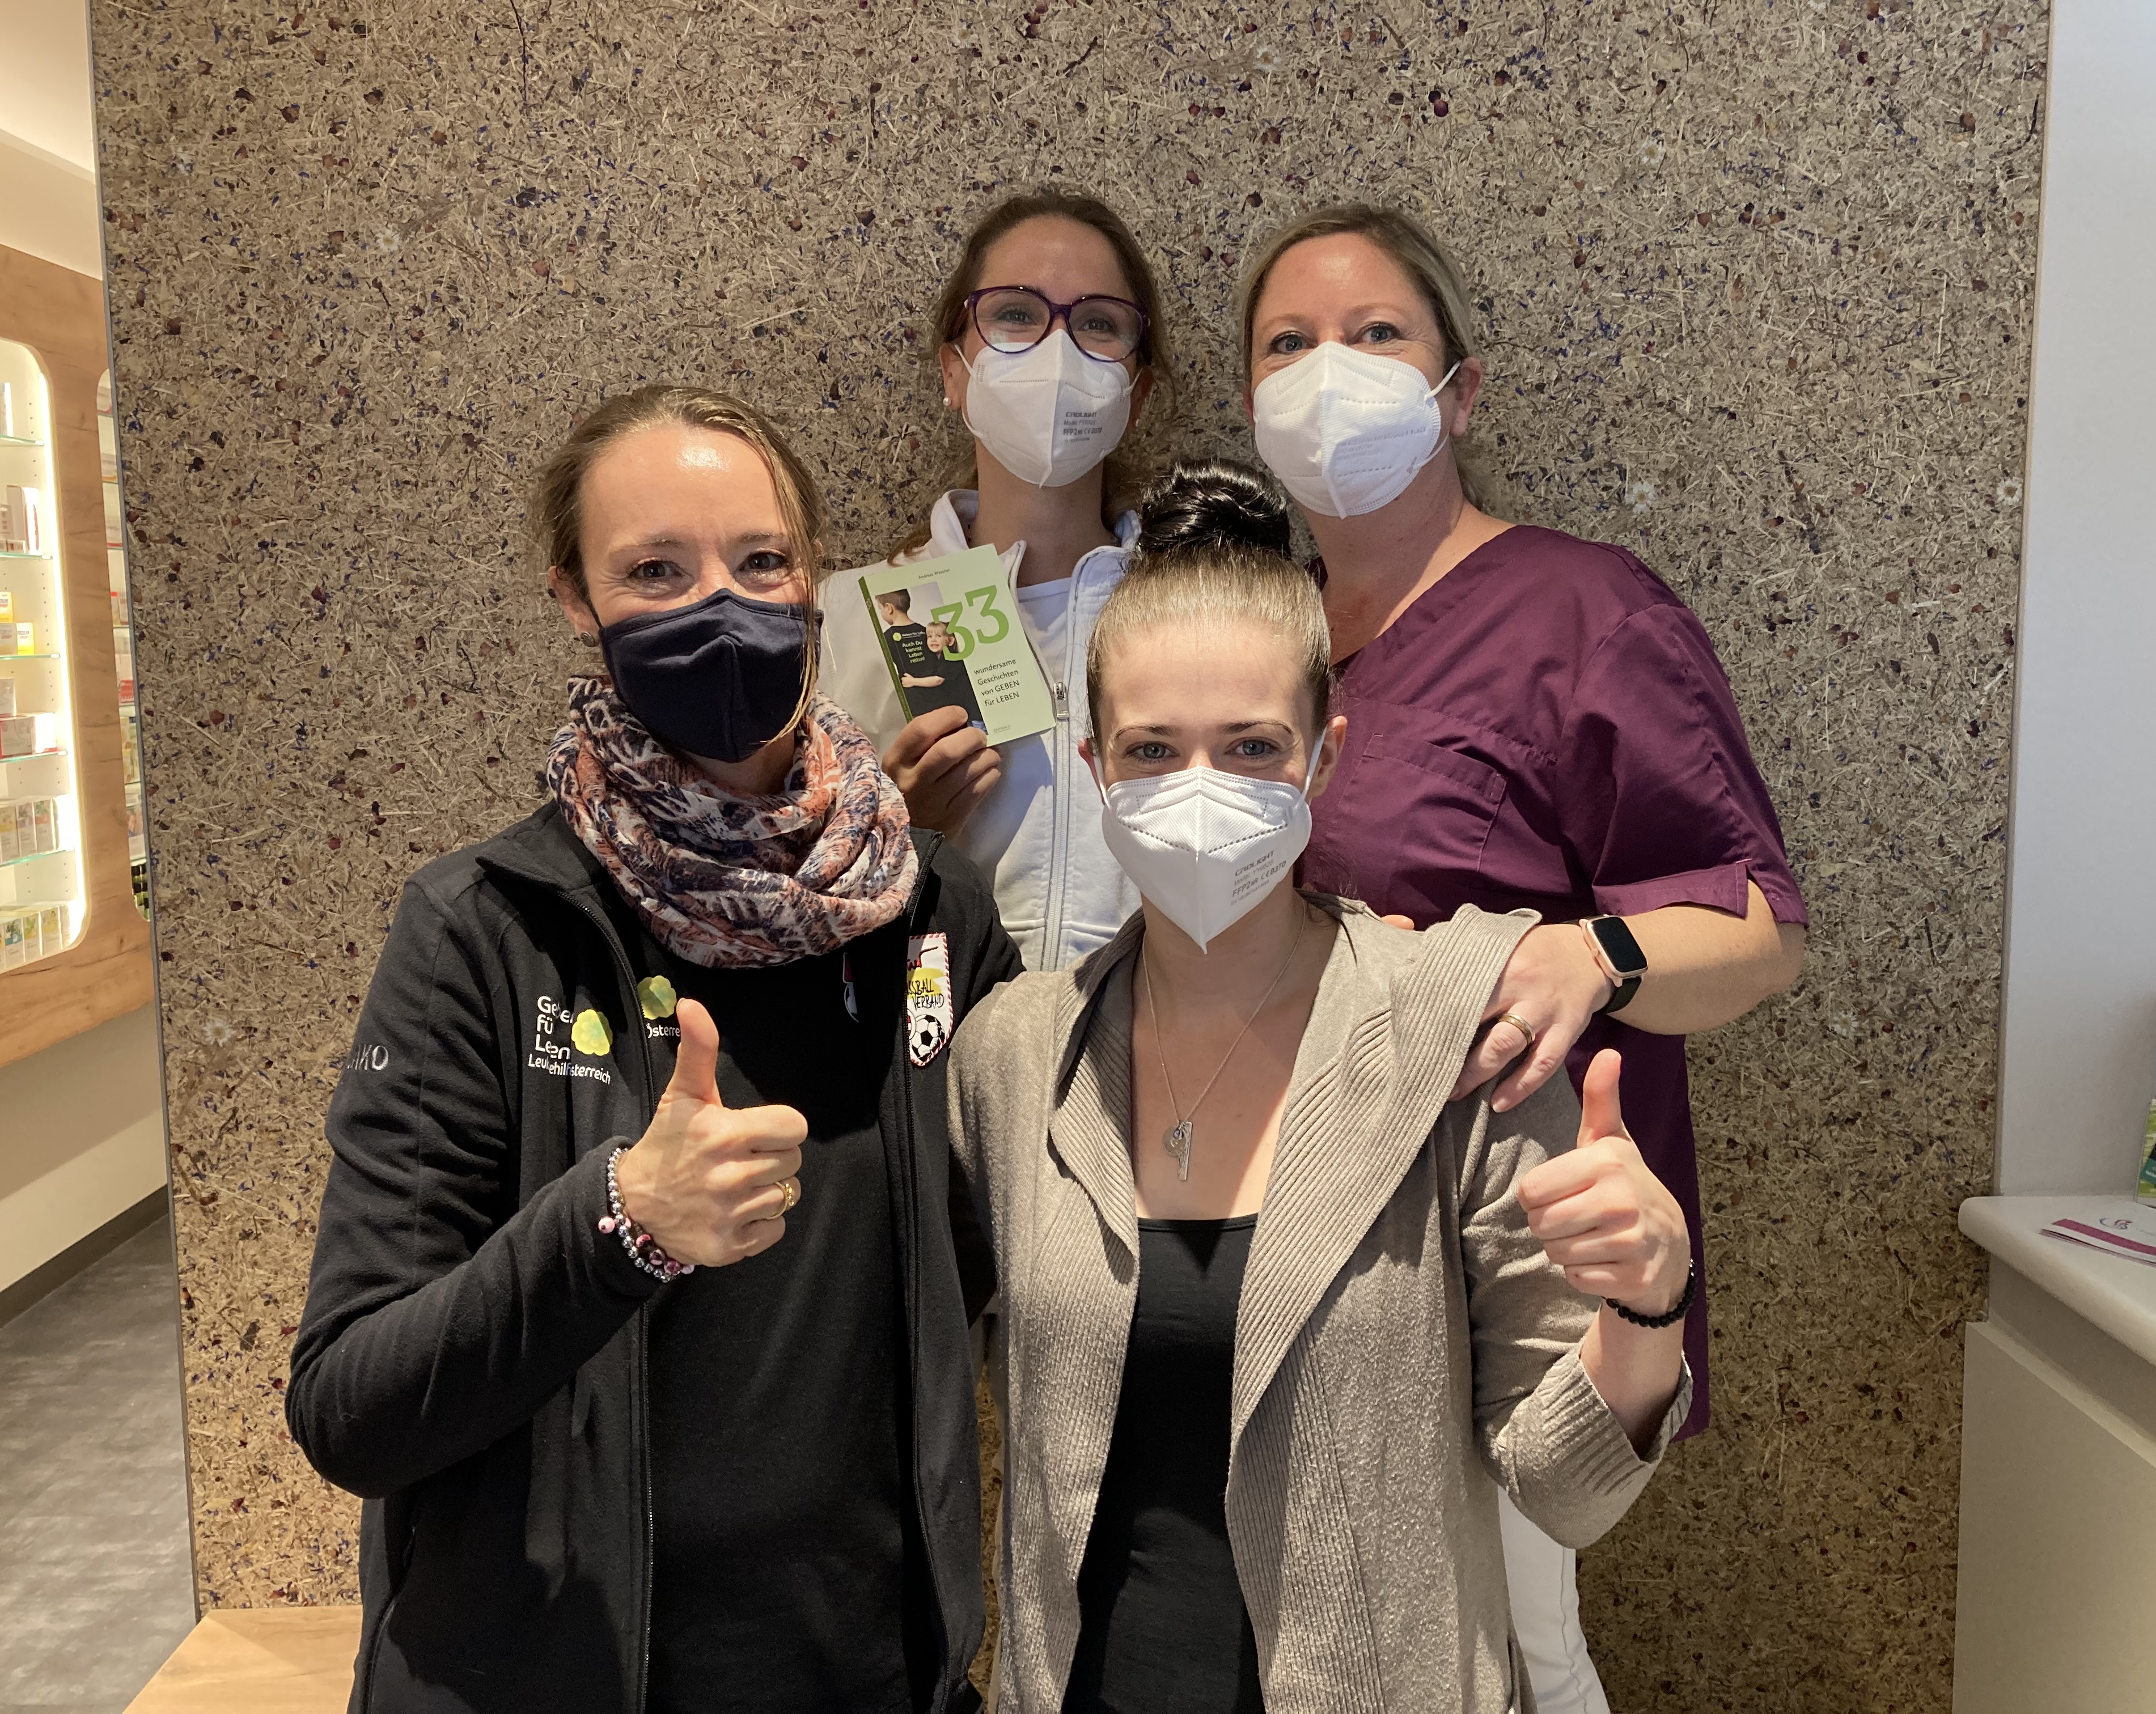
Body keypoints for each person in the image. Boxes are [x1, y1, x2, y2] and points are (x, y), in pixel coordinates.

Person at [286, 385, 1020, 1713]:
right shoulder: (487, 930)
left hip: (863, 1669)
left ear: (813, 582)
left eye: (760, 561)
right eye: (655, 572)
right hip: (549, 1680)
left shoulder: (929, 912)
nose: (719, 608)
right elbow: (352, 1408)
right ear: (576, 598)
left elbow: (995, 1242)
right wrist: (618, 1225)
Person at [948, 462, 1692, 1714]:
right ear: (1094, 765)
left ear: (1324, 759)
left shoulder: (1461, 1036)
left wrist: (1648, 1303)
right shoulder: (1012, 1059)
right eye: (1151, 751)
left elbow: (1566, 1487)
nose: (1200, 789)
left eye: (1251, 748)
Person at [1238, 205, 1809, 1714]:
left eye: (1376, 336)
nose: (1330, 372)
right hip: (1300, 1236)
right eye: (1289, 345)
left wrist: (1590, 955)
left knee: (1512, 1647)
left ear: (1461, 391)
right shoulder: (1262, 636)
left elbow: (1759, 929)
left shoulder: (1582, 611)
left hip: (1502, 1244)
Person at [819, 188, 1166, 972]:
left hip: (1144, 1037)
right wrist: (898, 833)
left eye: (1098, 323)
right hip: (934, 1034)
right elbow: (786, 900)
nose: (1057, 350)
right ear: (955, 371)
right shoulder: (845, 620)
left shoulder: (1204, 617)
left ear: (1137, 392)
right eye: (1016, 314)